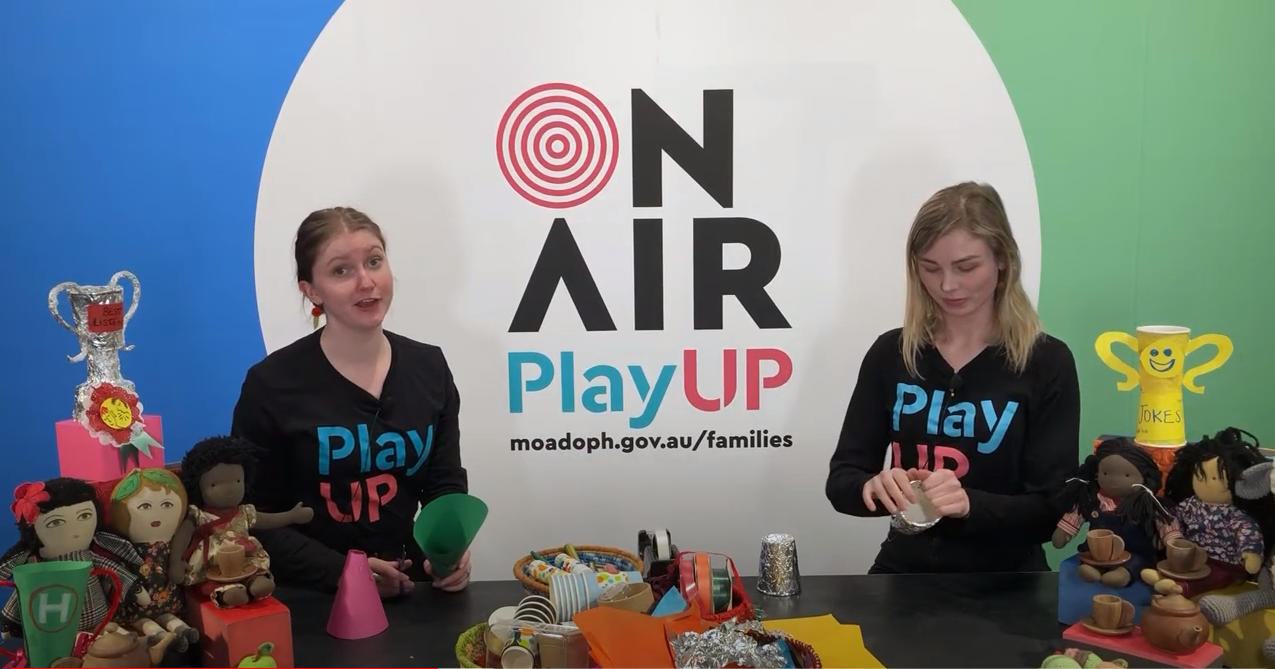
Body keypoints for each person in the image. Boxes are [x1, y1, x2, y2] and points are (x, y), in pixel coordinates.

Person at [825, 182, 1081, 574]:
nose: (947, 285)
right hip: (903, 572)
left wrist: (969, 504)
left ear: (1003, 260)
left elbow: (1052, 510)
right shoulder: (890, 354)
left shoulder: (1047, 361)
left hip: (1010, 582)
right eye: (930, 268)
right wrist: (873, 489)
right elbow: (842, 481)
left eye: (966, 267)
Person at [230, 206, 472, 597]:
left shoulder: (429, 366)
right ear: (311, 290)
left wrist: (447, 552)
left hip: (412, 589)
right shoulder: (272, 385)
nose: (366, 282)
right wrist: (343, 571)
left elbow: (444, 485)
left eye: (374, 261)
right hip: (315, 597)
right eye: (341, 270)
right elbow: (254, 518)